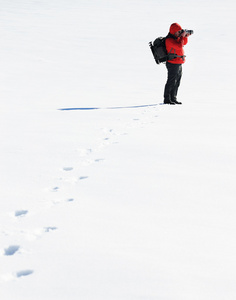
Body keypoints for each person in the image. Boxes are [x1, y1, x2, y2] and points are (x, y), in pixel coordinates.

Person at [163, 23, 191, 105]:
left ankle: (173, 98)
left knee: (177, 82)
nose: (179, 33)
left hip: (178, 62)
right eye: (178, 31)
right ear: (174, 31)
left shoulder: (176, 38)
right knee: (171, 81)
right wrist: (182, 36)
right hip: (172, 63)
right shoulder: (169, 40)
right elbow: (179, 46)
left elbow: (184, 43)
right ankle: (167, 99)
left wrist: (185, 36)